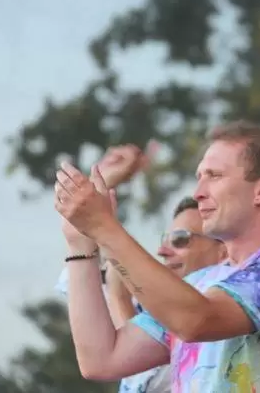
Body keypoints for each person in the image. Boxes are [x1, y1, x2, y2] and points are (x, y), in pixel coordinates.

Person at [53, 121, 260, 392]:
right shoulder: (199, 283)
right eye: (199, 177)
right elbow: (102, 359)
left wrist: (104, 228)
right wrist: (80, 244)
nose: (198, 193)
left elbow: (196, 321)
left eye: (214, 175)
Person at [55, 144, 227, 393]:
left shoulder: (230, 305)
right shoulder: (147, 305)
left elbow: (136, 371)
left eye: (180, 239)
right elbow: (80, 282)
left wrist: (119, 298)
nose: (163, 251)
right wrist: (102, 181)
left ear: (224, 252)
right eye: (165, 240)